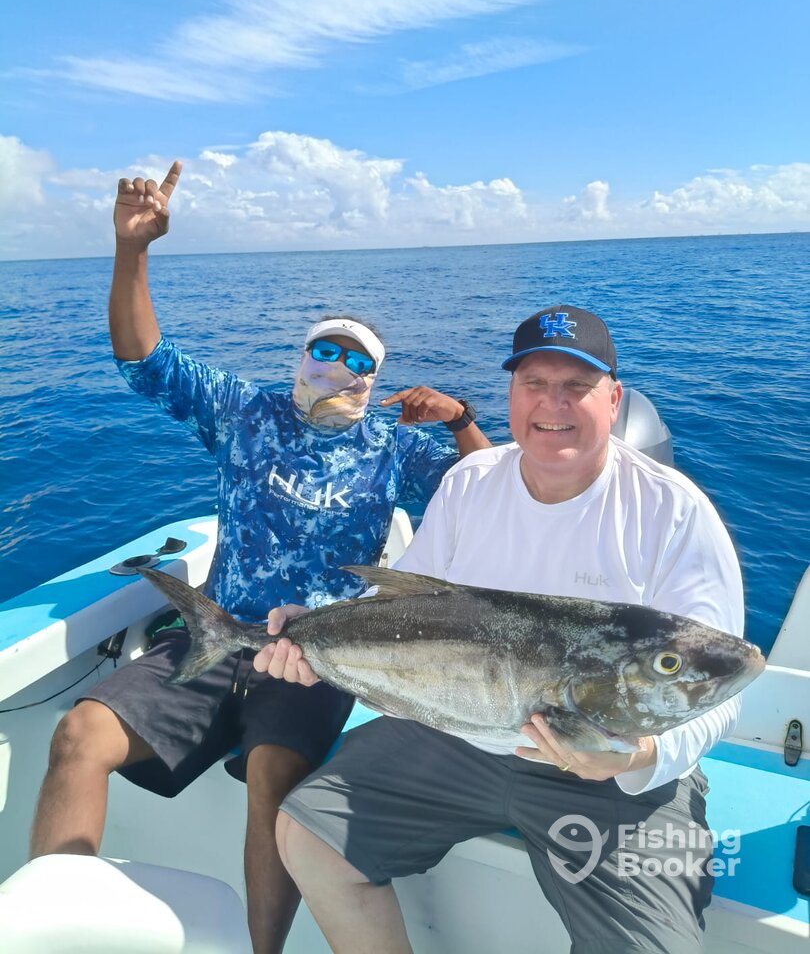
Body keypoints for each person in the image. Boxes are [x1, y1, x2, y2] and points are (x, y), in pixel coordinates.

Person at [29, 161, 491, 954]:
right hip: (215, 633)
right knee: (79, 736)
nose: (340, 368)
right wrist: (131, 249)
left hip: (318, 652)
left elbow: (490, 493)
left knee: (274, 779)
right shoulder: (247, 412)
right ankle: (55, 933)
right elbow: (144, 360)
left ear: (376, 380)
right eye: (327, 350)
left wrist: (461, 421)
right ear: (300, 355)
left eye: (359, 362)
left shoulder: (392, 446)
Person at [258, 304, 746, 954]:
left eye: (577, 386)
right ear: (512, 394)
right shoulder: (471, 481)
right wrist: (314, 631)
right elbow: (404, 604)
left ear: (614, 398)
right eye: (534, 383)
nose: (553, 404)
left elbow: (720, 692)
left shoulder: (674, 512)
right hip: (461, 734)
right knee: (307, 837)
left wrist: (639, 757)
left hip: (611, 770)